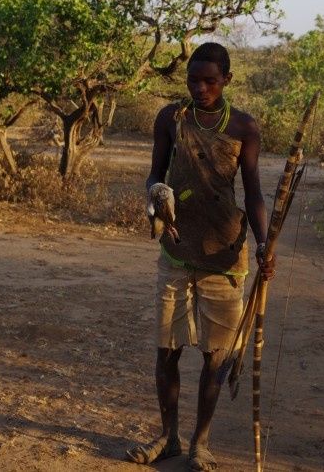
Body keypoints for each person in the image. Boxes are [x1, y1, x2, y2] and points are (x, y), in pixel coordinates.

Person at [126, 42, 275, 471]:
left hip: (224, 254)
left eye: (210, 80)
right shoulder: (171, 118)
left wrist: (264, 244)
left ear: (227, 79)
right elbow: (155, 172)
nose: (201, 88)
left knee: (216, 356)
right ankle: (169, 437)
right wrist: (155, 193)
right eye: (194, 80)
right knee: (166, 350)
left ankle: (201, 444)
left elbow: (253, 191)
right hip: (176, 249)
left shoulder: (244, 127)